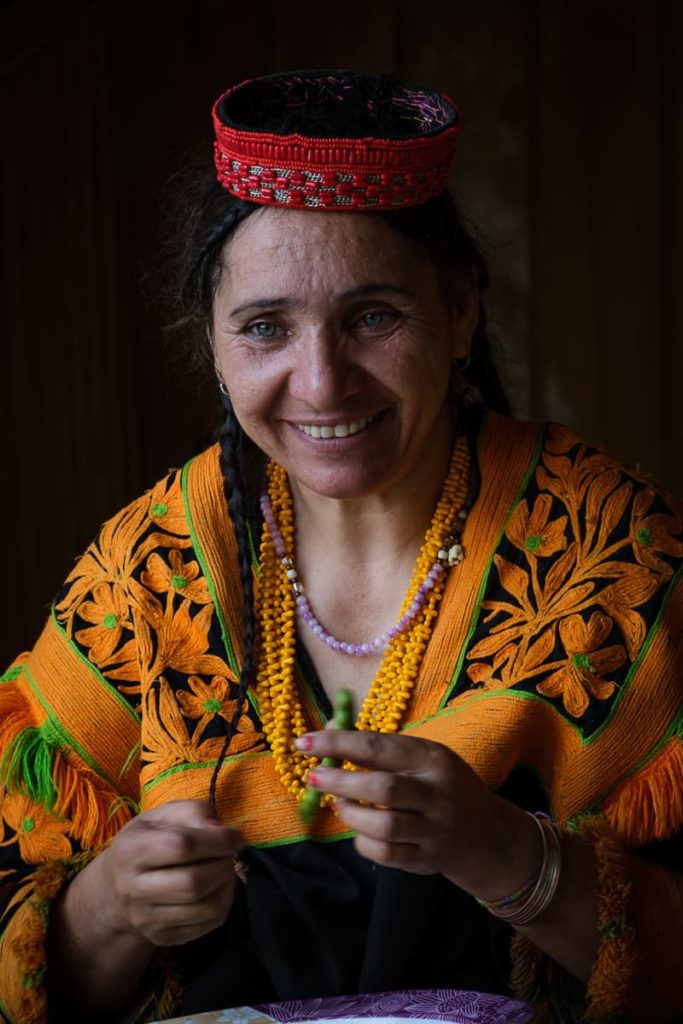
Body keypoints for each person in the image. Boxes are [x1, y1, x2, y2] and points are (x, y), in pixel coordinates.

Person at [1, 69, 682, 1024]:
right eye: (265, 328)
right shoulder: (147, 574)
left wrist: (512, 859)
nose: (320, 383)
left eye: (372, 317)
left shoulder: (603, 553)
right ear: (212, 343)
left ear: (459, 312)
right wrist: (110, 910)